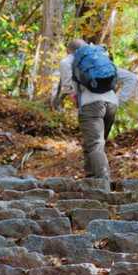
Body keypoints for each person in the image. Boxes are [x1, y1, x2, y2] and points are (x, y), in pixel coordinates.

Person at [51, 37, 122, 181]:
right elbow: (131, 78)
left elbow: (67, 87)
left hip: (90, 104)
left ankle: (102, 181)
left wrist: (71, 96)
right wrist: (120, 99)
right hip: (112, 104)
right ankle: (91, 177)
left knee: (95, 144)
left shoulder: (68, 61)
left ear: (69, 51)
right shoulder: (101, 56)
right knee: (94, 142)